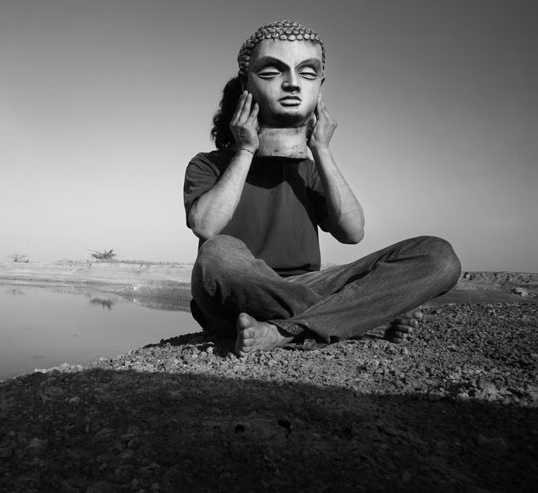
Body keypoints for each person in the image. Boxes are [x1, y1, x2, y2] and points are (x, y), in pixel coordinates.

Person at [184, 20, 460, 356]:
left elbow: (352, 232)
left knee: (439, 256)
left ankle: (283, 331)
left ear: (320, 87)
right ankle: (360, 318)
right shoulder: (208, 164)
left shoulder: (310, 170)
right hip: (235, 295)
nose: (292, 84)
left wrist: (322, 150)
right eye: (272, 72)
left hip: (306, 285)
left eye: (307, 73)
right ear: (246, 83)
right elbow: (206, 225)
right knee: (217, 254)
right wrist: (244, 150)